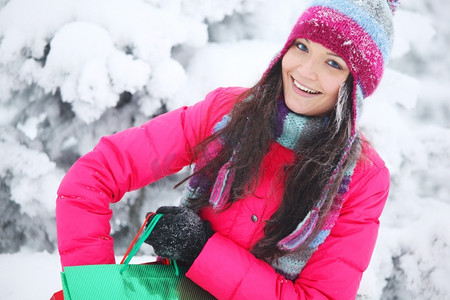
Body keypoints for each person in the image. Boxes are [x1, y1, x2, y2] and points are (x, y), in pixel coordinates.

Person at [56, 0, 399, 298]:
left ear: (354, 88)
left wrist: (202, 250)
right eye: (303, 47)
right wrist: (95, 291)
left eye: (333, 63)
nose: (305, 71)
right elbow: (92, 177)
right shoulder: (226, 113)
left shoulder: (363, 178)